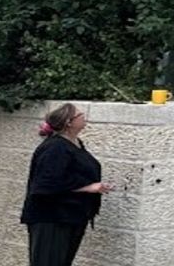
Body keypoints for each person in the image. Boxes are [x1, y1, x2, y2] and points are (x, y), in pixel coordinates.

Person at [20, 103, 114, 266]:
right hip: (51, 218)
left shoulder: (76, 143)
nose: (84, 116)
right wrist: (89, 187)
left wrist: (95, 186)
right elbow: (46, 183)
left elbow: (73, 173)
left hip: (72, 216)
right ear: (69, 122)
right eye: (80, 115)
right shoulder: (55, 147)